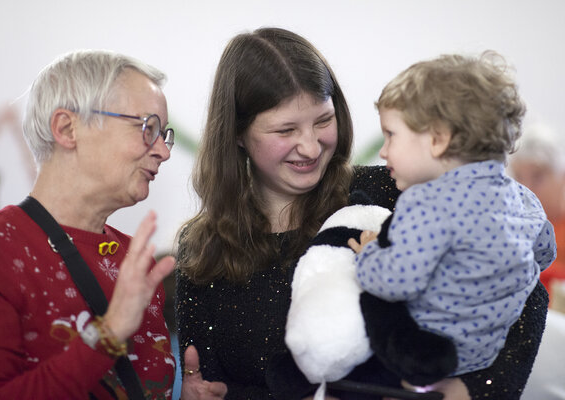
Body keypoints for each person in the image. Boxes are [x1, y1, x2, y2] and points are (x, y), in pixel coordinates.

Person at [175, 27, 551, 400]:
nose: (309, 146)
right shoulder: (203, 248)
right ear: (238, 134)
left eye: (323, 121)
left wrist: (469, 390)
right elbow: (215, 383)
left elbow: (523, 290)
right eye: (285, 130)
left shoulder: (398, 190)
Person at [0, 50, 227, 400]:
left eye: (164, 134)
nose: (163, 151)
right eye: (147, 128)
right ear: (67, 128)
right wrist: (108, 334)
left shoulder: (138, 263)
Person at [347, 52, 556, 381]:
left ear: (438, 139)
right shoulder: (523, 199)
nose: (384, 150)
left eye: (391, 135)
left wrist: (368, 255)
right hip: (487, 354)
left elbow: (396, 282)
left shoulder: (425, 203)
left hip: (425, 350)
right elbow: (545, 252)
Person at [509, 123, 565, 306]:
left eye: (538, 177)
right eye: (518, 177)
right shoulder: (506, 230)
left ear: (562, 177)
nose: (526, 188)